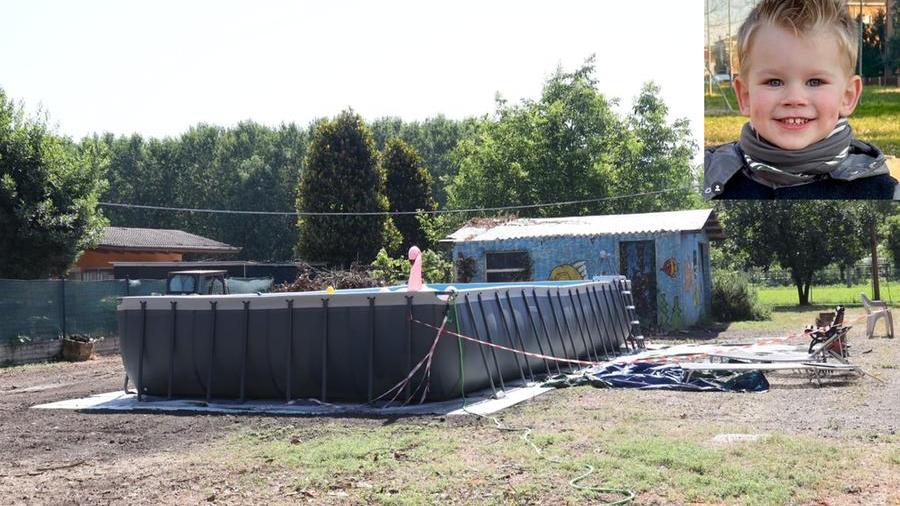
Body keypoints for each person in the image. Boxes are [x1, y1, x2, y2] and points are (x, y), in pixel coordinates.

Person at [704, 0, 899, 200]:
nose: (794, 99)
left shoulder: (881, 195)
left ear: (847, 96)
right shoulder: (704, 180)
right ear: (745, 96)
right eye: (774, 82)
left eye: (815, 82)